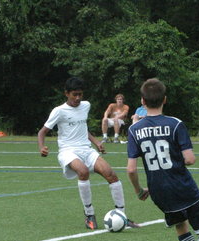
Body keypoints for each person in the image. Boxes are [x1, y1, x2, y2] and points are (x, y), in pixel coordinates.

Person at [126, 78, 199, 241]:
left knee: (180, 225)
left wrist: (139, 191)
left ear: (142, 101)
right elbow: (190, 159)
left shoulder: (134, 129)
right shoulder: (175, 124)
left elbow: (131, 169)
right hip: (182, 186)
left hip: (158, 191)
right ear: (165, 100)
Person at [38, 77, 139, 230]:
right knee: (83, 171)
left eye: (80, 94)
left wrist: (96, 142)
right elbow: (42, 132)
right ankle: (89, 215)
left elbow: (83, 127)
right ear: (66, 93)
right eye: (74, 94)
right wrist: (42, 147)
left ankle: (122, 215)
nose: (78, 98)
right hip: (68, 151)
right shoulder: (59, 111)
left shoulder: (86, 106)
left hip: (87, 150)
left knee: (111, 175)